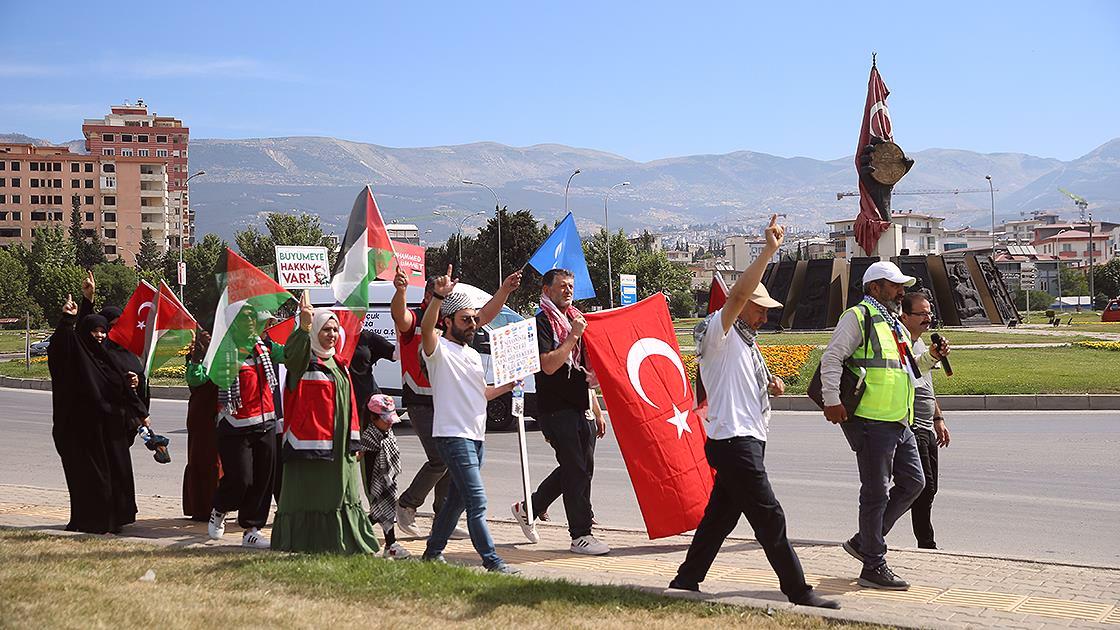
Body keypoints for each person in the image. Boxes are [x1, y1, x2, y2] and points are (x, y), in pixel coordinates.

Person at [668, 216, 838, 610]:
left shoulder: (745, 343)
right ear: (744, 307)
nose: (764, 317)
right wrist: (769, 250)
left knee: (720, 519)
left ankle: (686, 579)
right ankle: (798, 589)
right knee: (769, 517)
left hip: (744, 441)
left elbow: (744, 383)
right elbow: (738, 295)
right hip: (733, 441)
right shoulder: (718, 333)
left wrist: (770, 384)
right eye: (759, 309)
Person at [820, 261, 946, 590]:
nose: (901, 291)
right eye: (895, 286)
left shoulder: (894, 324)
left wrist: (930, 356)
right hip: (870, 420)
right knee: (875, 493)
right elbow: (832, 358)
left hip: (898, 421)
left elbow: (910, 369)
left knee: (914, 484)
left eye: (902, 286)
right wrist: (831, 398)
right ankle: (873, 563)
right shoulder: (858, 317)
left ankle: (865, 540)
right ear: (875, 288)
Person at [391, 264, 522, 538]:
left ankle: (444, 518)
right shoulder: (418, 320)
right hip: (421, 400)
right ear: (429, 296)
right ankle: (407, 504)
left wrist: (505, 290)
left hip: (447, 402)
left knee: (450, 459)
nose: (445, 298)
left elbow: (484, 314)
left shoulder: (450, 323)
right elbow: (399, 317)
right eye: (439, 294)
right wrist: (401, 291)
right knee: (439, 459)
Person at [420, 271, 518, 573]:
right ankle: (492, 561)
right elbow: (426, 327)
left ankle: (432, 552)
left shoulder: (474, 355)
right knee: (478, 501)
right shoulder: (437, 350)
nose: (473, 325)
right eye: (466, 320)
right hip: (452, 436)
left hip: (476, 438)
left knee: (456, 502)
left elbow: (482, 394)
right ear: (447, 322)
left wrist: (508, 386)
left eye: (474, 320)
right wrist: (437, 297)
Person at [271, 292, 381, 554]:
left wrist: (354, 441)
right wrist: (304, 325)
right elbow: (291, 354)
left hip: (340, 450)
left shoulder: (338, 362)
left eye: (334, 329)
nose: (331, 334)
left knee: (344, 496)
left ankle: (344, 541)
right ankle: (306, 541)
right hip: (308, 450)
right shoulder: (302, 360)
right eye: (325, 329)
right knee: (313, 498)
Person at [511, 268, 609, 555]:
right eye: (561, 286)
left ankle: (530, 507)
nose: (567, 290)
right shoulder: (542, 323)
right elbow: (550, 365)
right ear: (546, 290)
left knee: (580, 469)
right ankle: (580, 535)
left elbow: (582, 370)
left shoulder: (573, 319)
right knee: (576, 470)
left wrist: (596, 408)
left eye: (570, 286)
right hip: (556, 410)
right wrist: (574, 337)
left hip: (581, 406)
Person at [47, 285, 151, 535]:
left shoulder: (107, 358)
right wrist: (69, 317)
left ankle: (115, 520)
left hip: (111, 430)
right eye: (94, 331)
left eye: (104, 330)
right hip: (84, 432)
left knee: (117, 475)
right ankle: (92, 522)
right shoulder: (76, 355)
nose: (100, 335)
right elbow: (61, 345)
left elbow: (121, 388)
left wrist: (139, 409)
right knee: (93, 479)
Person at [206, 305, 281, 549]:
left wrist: (304, 330)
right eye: (245, 318)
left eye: (254, 318)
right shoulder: (224, 350)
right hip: (235, 425)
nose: (252, 323)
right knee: (241, 480)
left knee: (262, 481)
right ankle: (220, 507)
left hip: (266, 423)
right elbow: (214, 378)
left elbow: (289, 353)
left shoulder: (264, 346)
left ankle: (251, 529)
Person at [898, 293, 952, 549]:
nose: (927, 318)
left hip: (927, 425)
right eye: (921, 314)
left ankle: (874, 526)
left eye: (929, 313)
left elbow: (927, 387)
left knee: (929, 488)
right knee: (922, 487)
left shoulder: (923, 346)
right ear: (904, 316)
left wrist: (938, 417)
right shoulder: (900, 345)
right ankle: (926, 543)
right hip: (912, 426)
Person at [361, 394, 410, 559]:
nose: (389, 422)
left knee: (382, 512)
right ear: (373, 418)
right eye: (385, 419)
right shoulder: (369, 436)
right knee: (383, 511)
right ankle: (391, 545)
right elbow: (358, 456)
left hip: (389, 479)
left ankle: (361, 532)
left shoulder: (387, 432)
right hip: (376, 481)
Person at [183, 329, 222, 521]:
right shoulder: (197, 357)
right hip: (202, 415)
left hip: (221, 413)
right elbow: (195, 379)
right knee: (203, 460)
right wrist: (198, 358)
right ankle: (202, 506)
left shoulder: (223, 353)